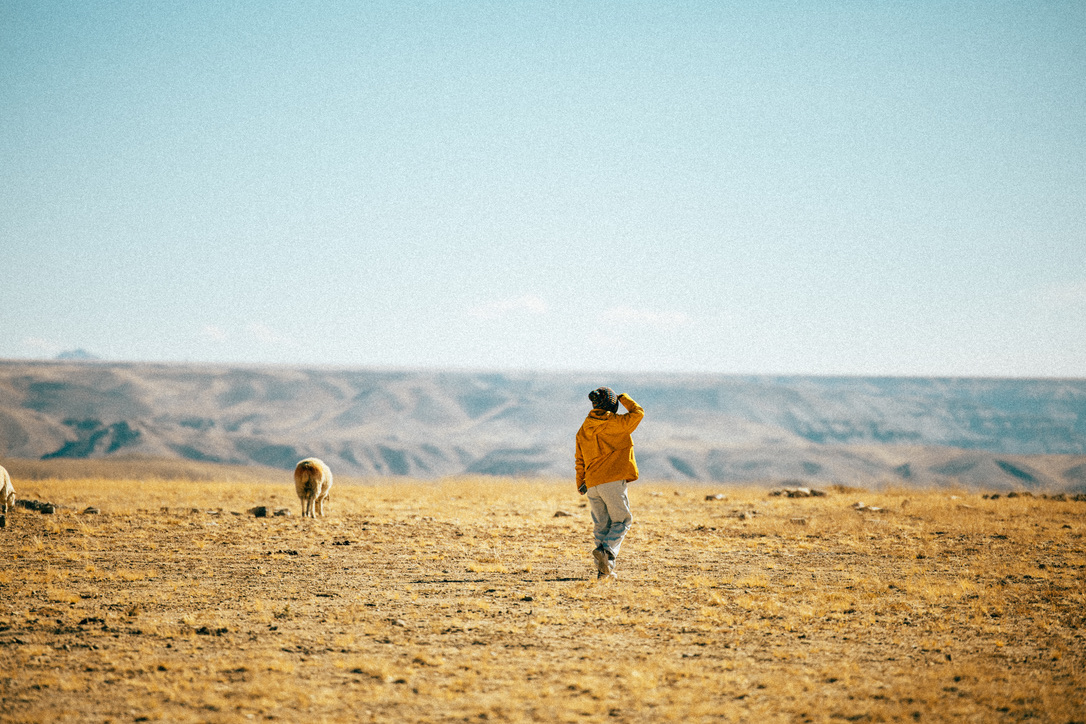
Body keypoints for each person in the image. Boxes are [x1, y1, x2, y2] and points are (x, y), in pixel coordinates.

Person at [575, 387, 644, 580]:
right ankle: (607, 551)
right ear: (611, 404)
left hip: (592, 483)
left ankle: (603, 572)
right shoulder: (617, 423)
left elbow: (579, 458)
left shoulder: (583, 429)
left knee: (601, 526)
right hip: (612, 481)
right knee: (622, 521)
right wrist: (623, 398)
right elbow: (638, 413)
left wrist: (580, 481)